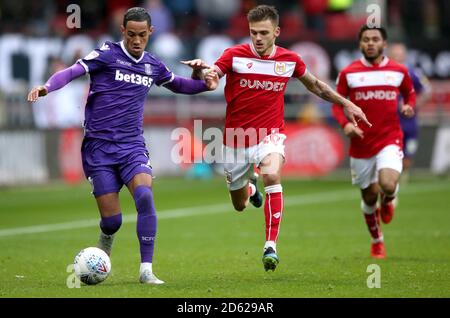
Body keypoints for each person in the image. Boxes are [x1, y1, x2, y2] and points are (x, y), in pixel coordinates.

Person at [27, 7, 218, 284]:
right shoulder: (106, 54)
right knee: (113, 221)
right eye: (131, 35)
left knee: (144, 197)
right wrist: (47, 86)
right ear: (123, 32)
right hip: (98, 149)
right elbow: (71, 72)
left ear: (150, 33)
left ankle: (146, 270)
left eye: (142, 35)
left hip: (131, 146)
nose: (137, 40)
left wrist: (205, 85)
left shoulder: (153, 65)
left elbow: (179, 85)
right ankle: (106, 240)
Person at [183, 5, 370, 271]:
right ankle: (250, 186)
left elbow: (315, 85)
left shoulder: (289, 60)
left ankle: (270, 245)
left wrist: (346, 103)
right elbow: (212, 80)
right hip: (235, 139)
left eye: (263, 32)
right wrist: (200, 72)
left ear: (277, 32)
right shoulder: (234, 55)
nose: (257, 38)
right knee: (239, 205)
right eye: (253, 32)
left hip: (269, 135)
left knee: (272, 174)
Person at [332, 25, 416, 259]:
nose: (370, 43)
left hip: (390, 138)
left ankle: (389, 199)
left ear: (384, 43)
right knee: (369, 197)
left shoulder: (399, 71)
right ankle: (377, 241)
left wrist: (409, 105)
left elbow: (409, 93)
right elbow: (337, 103)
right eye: (366, 39)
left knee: (387, 184)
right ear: (360, 44)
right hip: (361, 145)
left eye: (375, 39)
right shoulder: (349, 73)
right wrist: (346, 125)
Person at [388, 43, 431, 182]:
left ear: (405, 55)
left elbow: (427, 90)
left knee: (408, 152)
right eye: (395, 55)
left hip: (410, 121)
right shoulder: (384, 74)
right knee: (391, 150)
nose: (398, 58)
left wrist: (414, 104)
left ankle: (403, 174)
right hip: (390, 121)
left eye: (400, 55)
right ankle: (392, 175)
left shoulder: (413, 73)